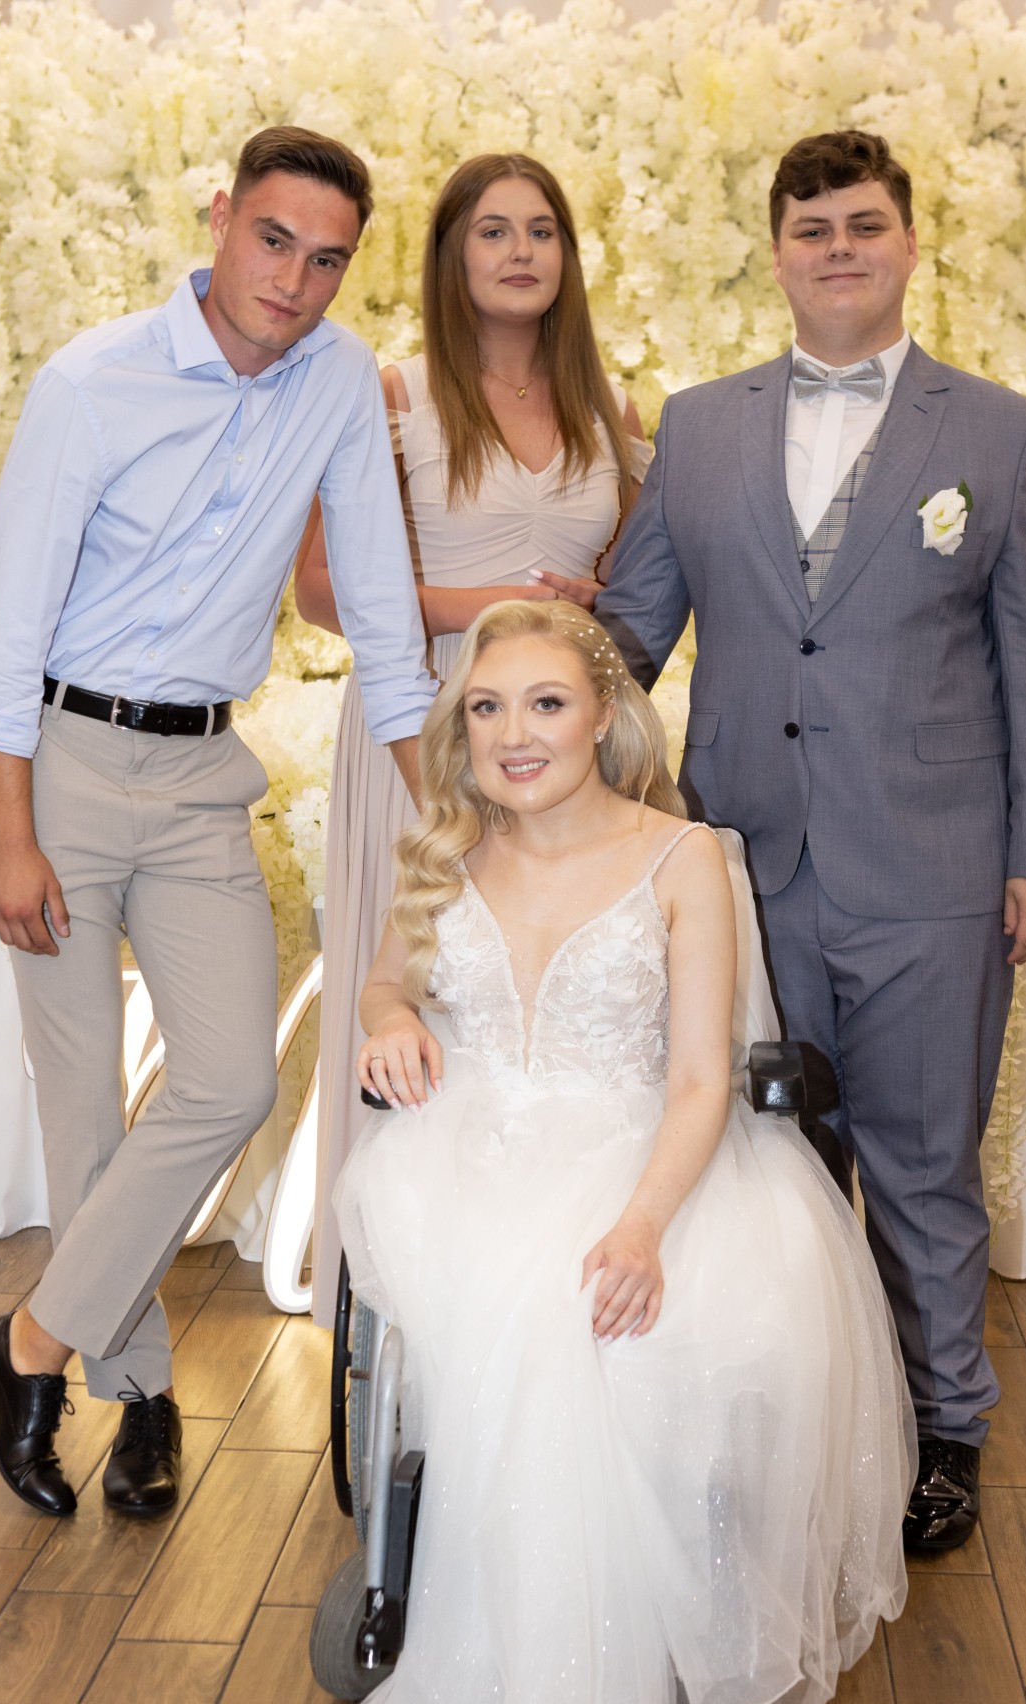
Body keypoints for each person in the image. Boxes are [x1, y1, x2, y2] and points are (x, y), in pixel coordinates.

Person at [333, 599, 914, 1704]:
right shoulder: (447, 853)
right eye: (487, 710)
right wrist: (391, 1020)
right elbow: (383, 980)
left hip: (646, 1154)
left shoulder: (683, 857)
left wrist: (644, 1227)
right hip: (466, 1149)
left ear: (603, 714)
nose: (514, 735)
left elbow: (702, 1080)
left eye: (545, 704)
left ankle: (617, 1619)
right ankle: (510, 1617)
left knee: (600, 1305)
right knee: (515, 1296)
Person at [581, 130, 1026, 1554]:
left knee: (922, 1166)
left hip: (935, 869)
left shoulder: (999, 433)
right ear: (778, 253)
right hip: (739, 868)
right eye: (813, 229)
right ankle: (791, 1421)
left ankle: (944, 1427)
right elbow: (630, 634)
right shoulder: (699, 427)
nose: (840, 248)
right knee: (763, 1167)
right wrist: (525, 705)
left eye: (864, 224)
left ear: (908, 244)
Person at [0, 126, 435, 1519]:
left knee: (229, 1082)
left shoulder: (339, 383)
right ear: (221, 219)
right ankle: (143, 1392)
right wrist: (9, 837)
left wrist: (455, 819)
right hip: (60, 767)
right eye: (274, 240)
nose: (294, 280)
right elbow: (6, 631)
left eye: (328, 260)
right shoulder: (89, 382)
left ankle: (28, 1346)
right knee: (83, 1113)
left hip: (200, 777)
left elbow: (386, 622)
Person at [294, 152, 649, 1330]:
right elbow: (321, 590)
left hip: (562, 749)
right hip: (426, 722)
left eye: (541, 230)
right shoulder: (390, 397)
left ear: (568, 256)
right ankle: (395, 1316)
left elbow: (633, 592)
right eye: (491, 231)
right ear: (451, 255)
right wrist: (491, 606)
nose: (518, 252)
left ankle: (529, 1304)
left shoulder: (613, 413)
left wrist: (586, 620)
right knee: (420, 988)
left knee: (541, 1003)